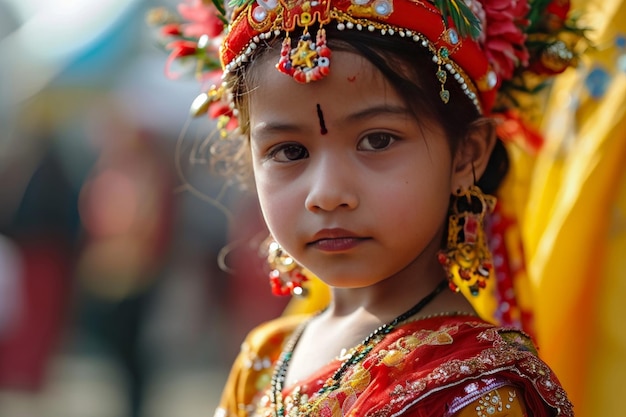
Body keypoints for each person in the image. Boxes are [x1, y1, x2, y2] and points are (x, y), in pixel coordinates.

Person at [150, 0, 586, 415]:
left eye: (377, 140)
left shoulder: (475, 390)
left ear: (467, 154)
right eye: (289, 151)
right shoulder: (266, 356)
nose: (326, 193)